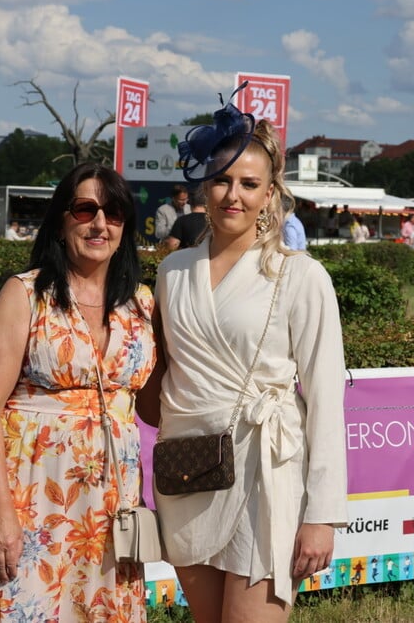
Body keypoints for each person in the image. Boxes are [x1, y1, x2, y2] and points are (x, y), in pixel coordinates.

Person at [144, 85, 348, 621]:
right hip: (189, 474)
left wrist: (322, 515)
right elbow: (161, 375)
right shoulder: (172, 272)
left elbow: (327, 398)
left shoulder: (300, 275)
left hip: (267, 474)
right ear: (203, 187)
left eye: (248, 183)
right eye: (221, 180)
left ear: (269, 192)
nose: (232, 194)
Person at [0, 162, 157, 622]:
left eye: (114, 212)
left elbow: (157, 404)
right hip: (28, 498)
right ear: (61, 219)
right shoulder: (25, 294)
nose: (100, 223)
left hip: (107, 512)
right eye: (85, 209)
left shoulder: (143, 303)